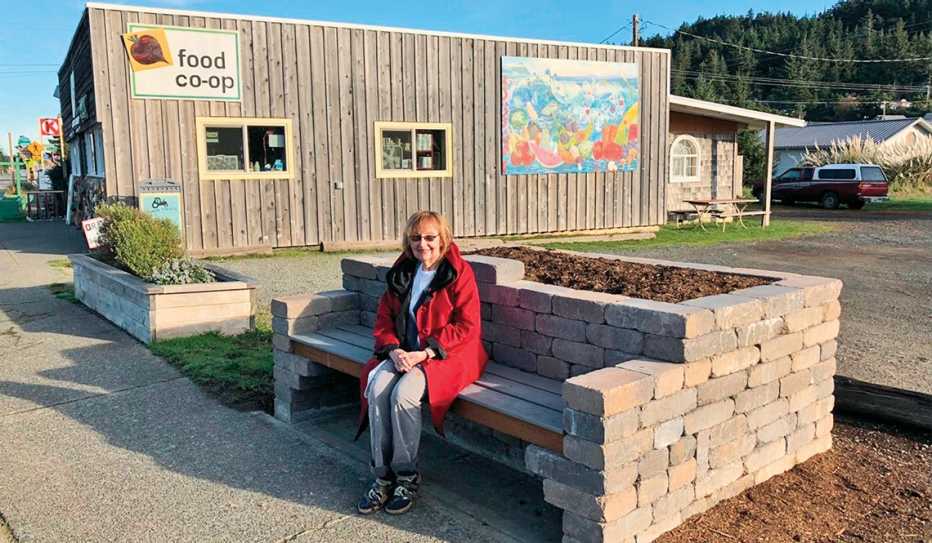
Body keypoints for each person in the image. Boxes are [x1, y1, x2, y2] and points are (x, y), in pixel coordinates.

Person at [354, 210, 487, 515]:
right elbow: (384, 318)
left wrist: (425, 353)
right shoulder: (404, 271)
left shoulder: (458, 272)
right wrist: (392, 350)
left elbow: (468, 326)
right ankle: (382, 476)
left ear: (443, 239)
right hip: (403, 352)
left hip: (442, 356)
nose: (422, 244)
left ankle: (406, 476)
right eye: (416, 238)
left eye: (430, 237)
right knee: (377, 390)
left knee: (403, 396)